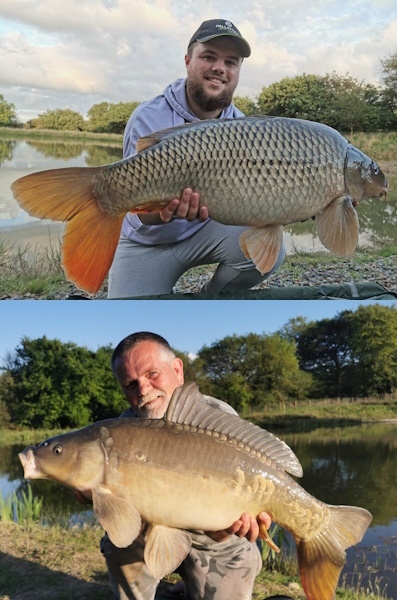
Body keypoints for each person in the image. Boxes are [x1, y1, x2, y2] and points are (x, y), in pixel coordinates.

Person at [107, 19, 285, 298]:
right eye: (209, 57)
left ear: (237, 72)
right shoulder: (149, 116)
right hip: (148, 240)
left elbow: (258, 199)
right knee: (128, 315)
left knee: (271, 254)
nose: (219, 68)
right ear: (188, 60)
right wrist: (163, 211)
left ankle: (209, 297)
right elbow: (137, 211)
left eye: (231, 62)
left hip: (208, 232)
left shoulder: (244, 127)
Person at [99, 330, 273, 600]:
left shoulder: (218, 420)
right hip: (152, 531)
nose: (143, 389)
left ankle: (192, 585)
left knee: (230, 549)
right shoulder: (122, 431)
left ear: (177, 369)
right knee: (118, 542)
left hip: (214, 542)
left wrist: (227, 528)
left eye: (152, 374)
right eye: (131, 384)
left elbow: (222, 530)